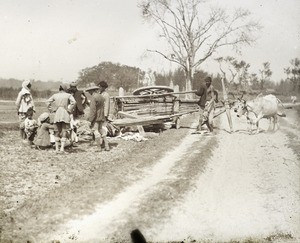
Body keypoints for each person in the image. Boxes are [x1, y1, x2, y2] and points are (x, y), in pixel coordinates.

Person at [47, 84, 76, 153]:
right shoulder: (68, 95)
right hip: (65, 112)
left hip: (57, 113)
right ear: (65, 89)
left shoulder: (55, 95)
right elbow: (74, 102)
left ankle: (57, 149)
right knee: (64, 130)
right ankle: (62, 148)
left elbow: (47, 102)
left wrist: (51, 109)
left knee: (56, 130)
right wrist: (69, 109)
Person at [86, 84, 110, 151]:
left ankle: (98, 147)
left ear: (92, 91)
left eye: (89, 91)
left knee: (95, 131)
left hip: (96, 117)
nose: (89, 93)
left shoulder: (93, 97)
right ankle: (107, 145)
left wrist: (90, 120)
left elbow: (93, 110)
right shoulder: (101, 96)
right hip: (101, 116)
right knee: (101, 130)